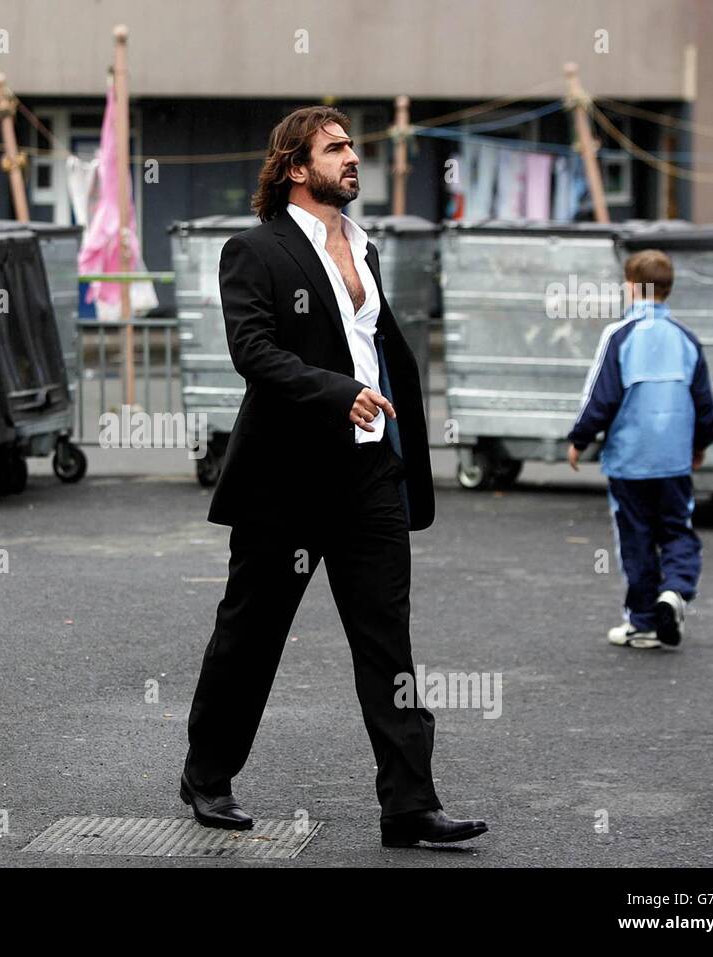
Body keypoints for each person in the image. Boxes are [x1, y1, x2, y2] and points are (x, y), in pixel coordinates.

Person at [179, 106, 487, 848]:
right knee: (250, 635)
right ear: (295, 167)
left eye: (353, 146)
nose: (353, 158)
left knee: (388, 641)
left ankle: (410, 803)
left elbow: (375, 348)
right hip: (285, 480)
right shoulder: (253, 251)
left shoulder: (365, 245)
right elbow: (253, 352)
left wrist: (397, 435)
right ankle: (208, 775)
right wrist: (334, 392)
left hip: (369, 473)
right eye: (336, 148)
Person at [568, 250, 713, 649]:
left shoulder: (619, 335)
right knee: (677, 528)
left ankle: (643, 622)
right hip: (674, 459)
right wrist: (701, 443)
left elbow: (600, 398)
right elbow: (704, 402)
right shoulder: (687, 339)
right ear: (668, 290)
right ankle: (675, 590)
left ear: (632, 287)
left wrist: (579, 438)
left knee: (635, 536)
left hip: (630, 459)